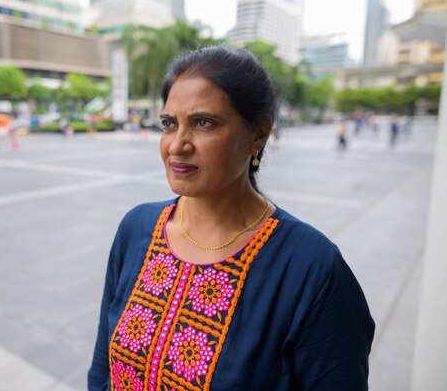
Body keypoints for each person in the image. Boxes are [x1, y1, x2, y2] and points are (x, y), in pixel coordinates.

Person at [88, 46, 374, 390]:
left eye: (203, 123)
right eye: (169, 124)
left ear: (258, 134)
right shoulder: (137, 228)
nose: (177, 145)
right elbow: (103, 371)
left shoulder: (310, 266)